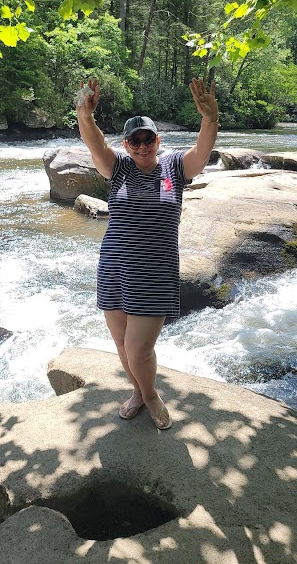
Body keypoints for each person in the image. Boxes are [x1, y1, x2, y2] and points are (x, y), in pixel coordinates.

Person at [76, 77, 218, 430]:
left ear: (159, 140)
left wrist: (209, 119)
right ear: (126, 144)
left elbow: (202, 152)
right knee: (121, 341)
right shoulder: (118, 168)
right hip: (115, 267)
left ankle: (151, 394)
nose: (142, 146)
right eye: (134, 140)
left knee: (139, 349)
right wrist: (85, 116)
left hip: (155, 273)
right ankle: (137, 391)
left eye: (148, 139)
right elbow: (95, 146)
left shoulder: (174, 168)